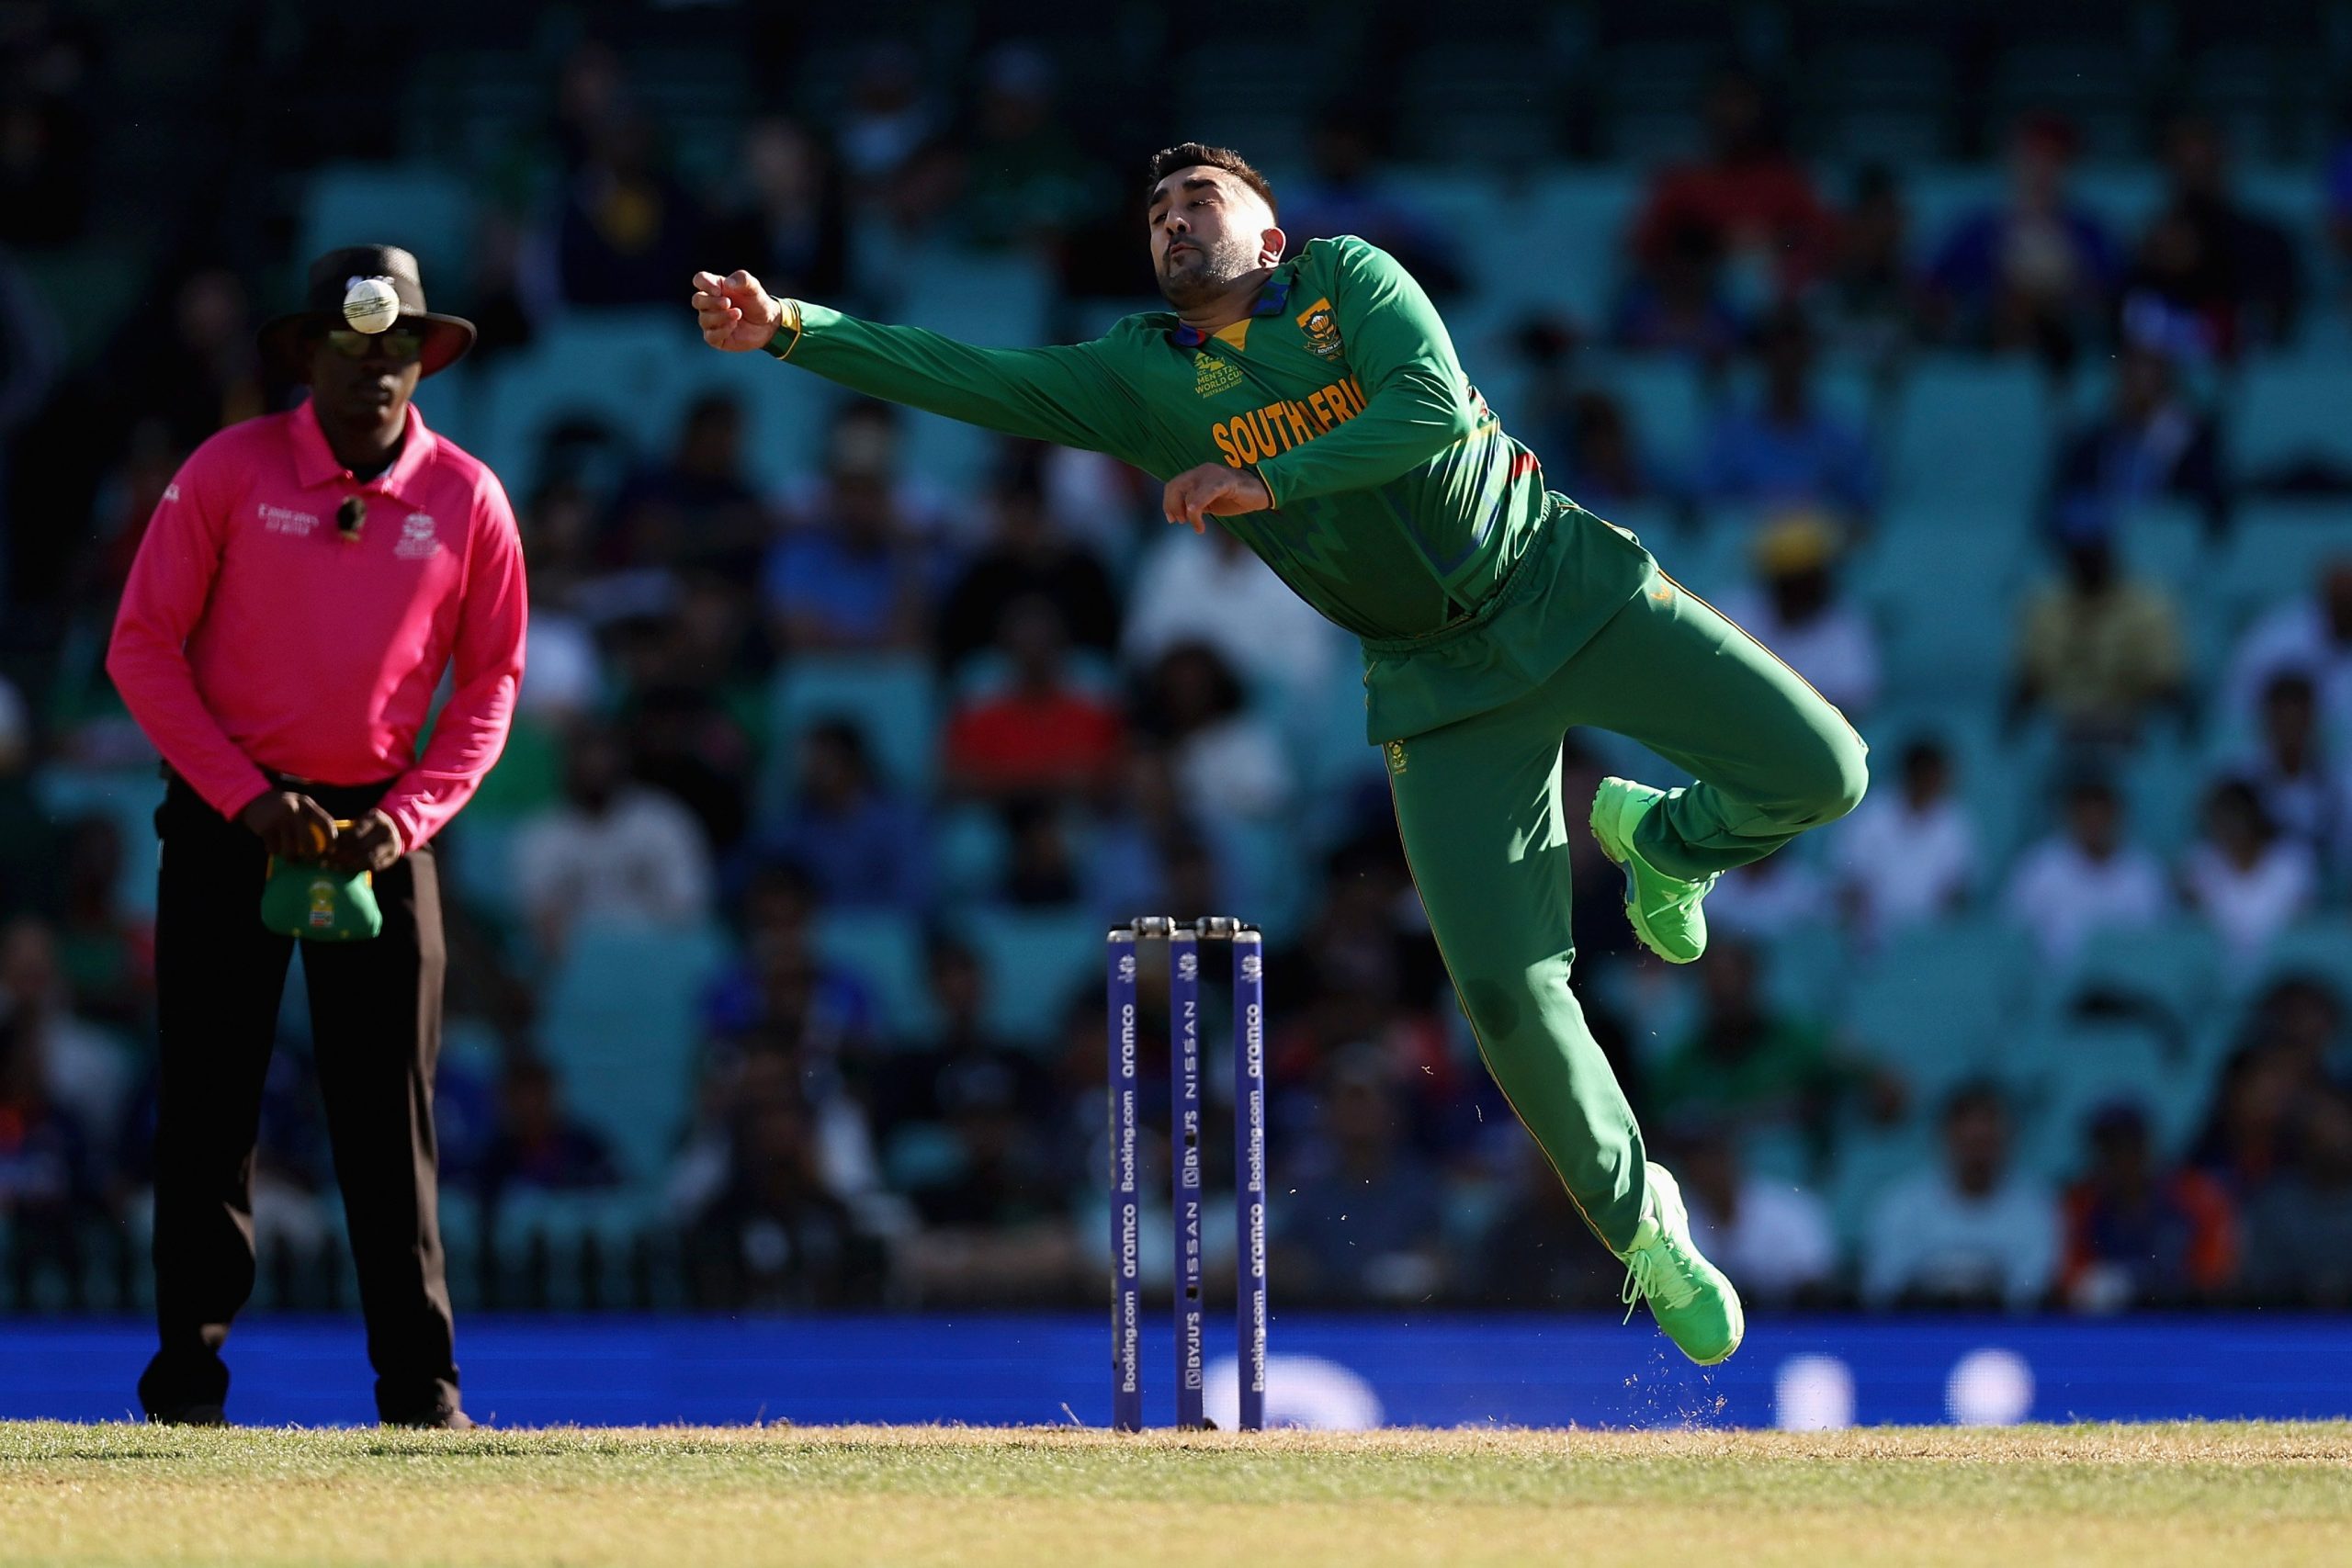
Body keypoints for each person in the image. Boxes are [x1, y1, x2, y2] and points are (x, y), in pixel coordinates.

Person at [691, 140, 1874, 1366]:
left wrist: (1265, 474)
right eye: (1153, 210)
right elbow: (971, 374)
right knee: (1512, 995)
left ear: (1269, 233)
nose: (1170, 218)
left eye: (1198, 197)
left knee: (1827, 770)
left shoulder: (1346, 280)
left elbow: (1421, 409)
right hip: (1437, 685)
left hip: (1561, 582)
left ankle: (1662, 839)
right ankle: (1644, 1230)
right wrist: (791, 327)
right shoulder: (1144, 377)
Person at [105, 245, 524, 1427]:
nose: (377, 370)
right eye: (352, 347)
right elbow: (141, 647)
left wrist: (403, 818)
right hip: (233, 821)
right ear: (307, 355)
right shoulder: (226, 472)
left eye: (397, 349)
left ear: (422, 358)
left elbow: (493, 684)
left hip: (382, 827)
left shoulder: (468, 497)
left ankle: (422, 1392)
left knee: (390, 1121)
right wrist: (245, 798)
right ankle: (186, 1387)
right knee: (208, 1112)